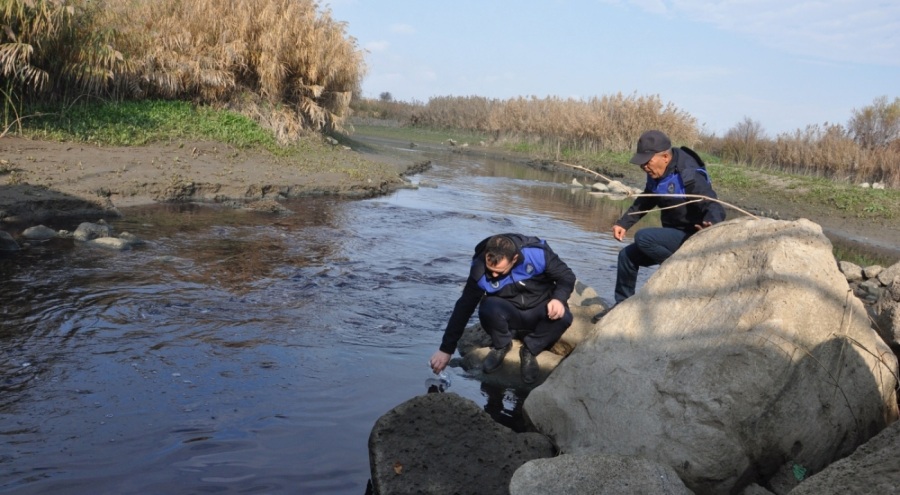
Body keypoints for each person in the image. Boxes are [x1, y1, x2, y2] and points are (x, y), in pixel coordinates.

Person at [429, 233, 576, 384]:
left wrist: (558, 298)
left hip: (538, 309)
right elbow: (464, 306)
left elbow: (567, 277)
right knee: (487, 307)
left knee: (564, 317)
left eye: (499, 272)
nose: (493, 274)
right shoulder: (479, 266)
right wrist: (446, 349)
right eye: (490, 269)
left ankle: (530, 350)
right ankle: (502, 345)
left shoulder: (537, 254)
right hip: (507, 310)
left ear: (514, 259)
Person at [609, 130, 726, 306]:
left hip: (691, 238)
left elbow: (714, 204)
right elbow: (646, 200)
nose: (644, 167)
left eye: (647, 162)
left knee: (643, 237)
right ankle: (621, 306)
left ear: (664, 157)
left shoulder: (689, 175)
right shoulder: (656, 174)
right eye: (641, 163)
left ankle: (679, 269)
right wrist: (623, 223)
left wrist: (711, 225)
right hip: (672, 235)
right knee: (626, 256)